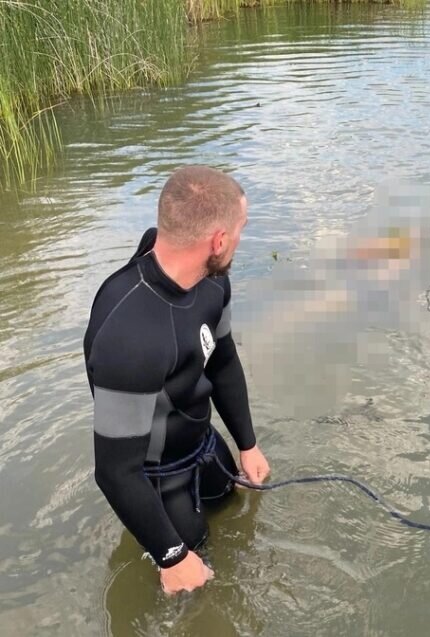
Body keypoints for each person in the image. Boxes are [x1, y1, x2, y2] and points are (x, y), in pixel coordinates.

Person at [83, 166, 270, 594]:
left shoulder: (213, 281)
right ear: (218, 240)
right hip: (154, 478)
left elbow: (222, 360)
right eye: (240, 230)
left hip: (204, 446)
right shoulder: (129, 336)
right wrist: (172, 556)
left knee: (235, 514)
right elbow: (114, 472)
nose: (239, 240)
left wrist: (247, 443)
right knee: (194, 578)